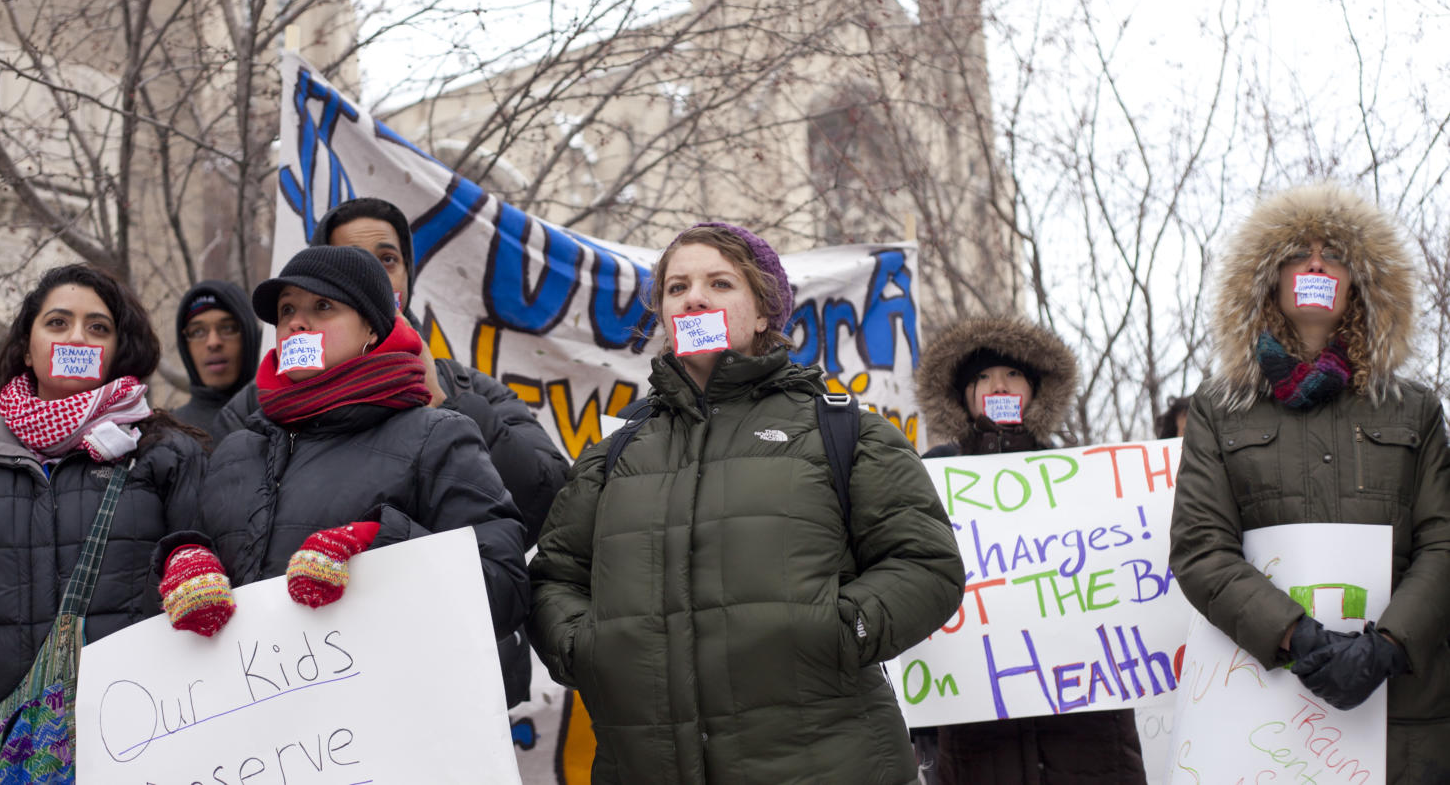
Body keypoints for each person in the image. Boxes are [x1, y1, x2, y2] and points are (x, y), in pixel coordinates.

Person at [530, 222, 964, 785]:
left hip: (831, 764)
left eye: (720, 283)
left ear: (764, 312)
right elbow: (554, 578)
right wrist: (585, 649)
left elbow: (925, 564)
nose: (696, 298)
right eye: (677, 287)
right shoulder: (615, 453)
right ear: (663, 314)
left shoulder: (844, 431)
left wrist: (836, 632)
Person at [1170, 183, 1450, 783]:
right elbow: (1200, 547)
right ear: (1268, 280)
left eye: (1335, 255)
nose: (1317, 263)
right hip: (1265, 705)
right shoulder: (1220, 409)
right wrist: (1296, 637)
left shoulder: (1415, 409)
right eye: (1298, 254)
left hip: (1404, 711)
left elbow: (1443, 541)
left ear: (1360, 283)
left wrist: (1390, 646)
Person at [158, 245, 529, 654]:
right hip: (253, 705)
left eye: (322, 306)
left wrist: (382, 545)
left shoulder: (437, 436)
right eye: (286, 311)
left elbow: (505, 590)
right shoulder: (236, 449)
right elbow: (196, 552)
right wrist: (186, 559)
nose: (297, 324)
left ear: (370, 328)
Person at [0, 264, 205, 774]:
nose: (77, 338)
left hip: (134, 739)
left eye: (98, 328)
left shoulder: (165, 455)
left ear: (116, 349)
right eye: (58, 323)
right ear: (28, 348)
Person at [211, 198, 567, 545]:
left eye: (388, 260)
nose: (374, 275)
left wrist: (446, 404)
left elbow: (548, 506)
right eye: (353, 261)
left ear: (408, 274)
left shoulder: (469, 388)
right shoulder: (254, 410)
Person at [915, 315, 1146, 784]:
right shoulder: (931, 478)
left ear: (1036, 390)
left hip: (1086, 718)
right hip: (977, 717)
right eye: (981, 377)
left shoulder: (1082, 472)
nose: (998, 383)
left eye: (1012, 373)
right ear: (963, 396)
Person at [171, 279, 261, 437]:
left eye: (228, 328)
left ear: (250, 335)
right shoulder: (169, 434)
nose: (213, 343)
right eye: (198, 332)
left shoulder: (283, 419)